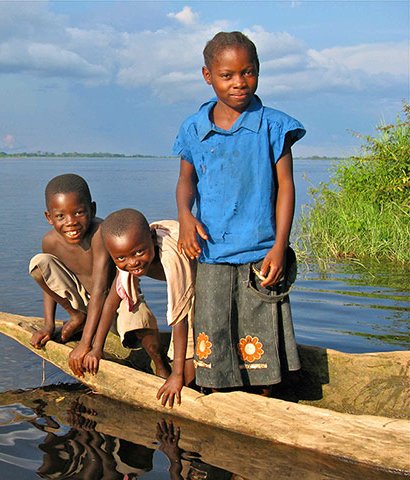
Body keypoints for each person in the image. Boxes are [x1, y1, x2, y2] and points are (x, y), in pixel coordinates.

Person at [173, 31, 304, 394]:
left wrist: (279, 246)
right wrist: (185, 215)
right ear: (208, 76)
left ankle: (265, 397)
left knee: (260, 334)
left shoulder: (274, 125)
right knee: (212, 328)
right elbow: (186, 180)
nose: (239, 83)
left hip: (260, 251)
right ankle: (217, 393)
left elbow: (286, 188)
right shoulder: (195, 128)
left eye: (248, 73)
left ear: (258, 72)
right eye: (227, 75)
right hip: (212, 249)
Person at [29, 174, 168, 379]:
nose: (71, 223)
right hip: (85, 300)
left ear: (92, 210)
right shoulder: (50, 242)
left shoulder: (100, 233)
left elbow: (102, 289)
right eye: (61, 217)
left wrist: (89, 344)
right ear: (49, 217)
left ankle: (161, 365)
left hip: (118, 299)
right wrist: (48, 325)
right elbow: (48, 284)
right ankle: (78, 318)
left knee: (139, 322)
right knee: (38, 264)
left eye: (79, 213)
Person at [82, 208, 196, 407]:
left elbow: (180, 316)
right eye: (121, 258)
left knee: (189, 371)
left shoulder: (171, 258)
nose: (132, 262)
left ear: (152, 240)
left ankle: (191, 388)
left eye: (139, 253)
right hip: (187, 290)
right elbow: (111, 301)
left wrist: (177, 376)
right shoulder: (126, 252)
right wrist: (96, 348)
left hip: (198, 283)